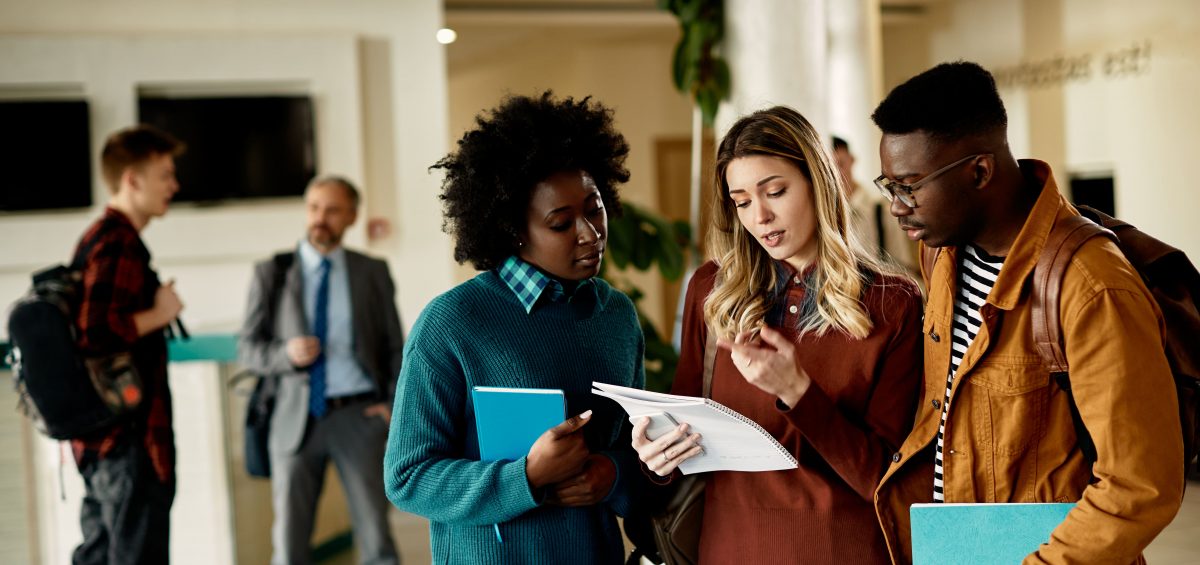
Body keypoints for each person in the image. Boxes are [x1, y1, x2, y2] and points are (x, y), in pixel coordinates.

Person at [870, 61, 1183, 564]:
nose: (896, 207)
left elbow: (1139, 485)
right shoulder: (943, 253)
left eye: (910, 186)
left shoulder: (1092, 287)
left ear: (979, 171)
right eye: (890, 186)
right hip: (961, 548)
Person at [631, 106, 924, 564]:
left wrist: (798, 392)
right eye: (742, 201)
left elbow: (888, 481)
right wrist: (657, 458)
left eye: (776, 191)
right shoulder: (710, 290)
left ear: (818, 183)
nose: (761, 216)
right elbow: (685, 433)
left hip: (845, 551)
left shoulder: (895, 303)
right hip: (728, 549)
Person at [383, 92, 647, 564]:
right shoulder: (452, 323)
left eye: (594, 207)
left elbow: (635, 445)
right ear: (513, 231)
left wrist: (612, 472)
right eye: (562, 223)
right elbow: (408, 477)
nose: (590, 233)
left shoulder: (617, 317)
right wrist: (525, 476)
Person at [238, 176, 404, 565]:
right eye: (313, 208)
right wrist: (285, 355)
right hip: (294, 419)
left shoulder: (371, 271)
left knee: (376, 536)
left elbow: (396, 346)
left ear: (351, 216)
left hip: (359, 417)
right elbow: (247, 349)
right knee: (290, 543)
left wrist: (391, 407)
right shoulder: (272, 273)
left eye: (331, 210)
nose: (319, 218)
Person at [71, 124, 185, 564]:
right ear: (131, 179)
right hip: (127, 445)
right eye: (165, 175)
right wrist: (160, 313)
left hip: (103, 443)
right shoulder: (116, 243)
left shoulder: (101, 239)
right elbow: (94, 332)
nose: (174, 186)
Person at [832, 135, 916, 273]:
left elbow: (903, 269)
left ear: (852, 160)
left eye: (840, 164)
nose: (836, 173)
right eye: (830, 167)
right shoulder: (826, 215)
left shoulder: (881, 210)